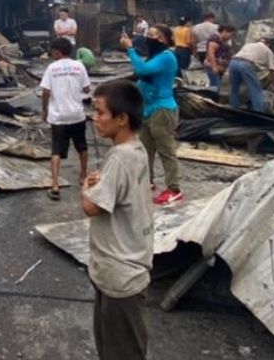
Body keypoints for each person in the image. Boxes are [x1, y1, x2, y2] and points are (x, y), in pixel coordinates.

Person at [81, 80, 152, 360]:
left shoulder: (120, 159)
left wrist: (87, 185)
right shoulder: (137, 149)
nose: (94, 119)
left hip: (119, 273)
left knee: (119, 353)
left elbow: (91, 207)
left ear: (122, 119)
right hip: (127, 267)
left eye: (100, 112)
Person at [121, 24, 181, 205]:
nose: (149, 38)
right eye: (148, 34)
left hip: (162, 110)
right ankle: (147, 182)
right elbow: (142, 78)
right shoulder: (154, 57)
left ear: (163, 39)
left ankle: (174, 189)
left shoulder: (167, 57)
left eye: (153, 35)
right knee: (145, 151)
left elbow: (142, 71)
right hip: (148, 110)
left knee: (166, 151)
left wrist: (130, 49)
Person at [40, 39, 91, 201]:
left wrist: (45, 109)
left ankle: (55, 184)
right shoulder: (79, 66)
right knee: (82, 146)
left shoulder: (51, 68)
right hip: (77, 114)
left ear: (58, 51)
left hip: (58, 116)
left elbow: (46, 91)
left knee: (56, 150)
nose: (52, 53)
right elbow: (87, 88)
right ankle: (83, 176)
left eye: (53, 50)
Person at [229, 37, 274, 112]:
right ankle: (259, 112)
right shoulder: (268, 51)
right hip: (246, 65)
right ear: (268, 44)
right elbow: (273, 70)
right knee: (256, 89)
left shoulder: (248, 45)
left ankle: (234, 109)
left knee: (234, 88)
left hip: (233, 63)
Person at [205, 25, 236, 93]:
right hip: (213, 66)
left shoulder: (224, 41)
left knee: (219, 87)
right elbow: (211, 53)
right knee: (215, 87)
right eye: (230, 34)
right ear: (224, 31)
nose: (231, 37)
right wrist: (214, 67)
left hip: (220, 68)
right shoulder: (215, 39)